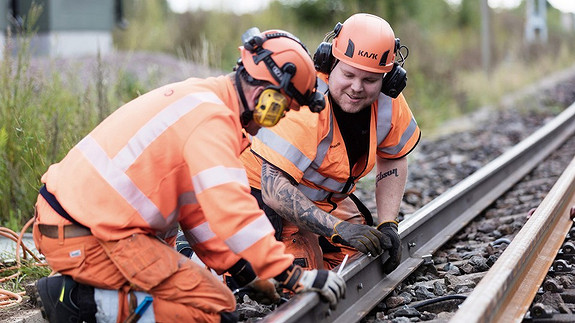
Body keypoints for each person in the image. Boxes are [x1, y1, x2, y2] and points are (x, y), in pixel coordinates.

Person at [32, 27, 345, 323]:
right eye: (281, 110)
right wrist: (291, 274)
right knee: (213, 311)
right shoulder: (212, 121)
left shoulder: (206, 100)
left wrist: (245, 275)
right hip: (89, 238)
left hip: (83, 227)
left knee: (218, 298)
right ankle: (78, 302)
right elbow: (234, 213)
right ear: (268, 98)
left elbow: (196, 215)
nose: (272, 122)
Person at [240, 13, 421, 271]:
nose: (357, 87)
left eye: (370, 80)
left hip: (322, 202)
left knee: (362, 256)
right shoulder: (306, 101)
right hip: (262, 199)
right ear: (330, 62)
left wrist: (388, 223)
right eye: (348, 74)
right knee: (298, 277)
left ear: (388, 79)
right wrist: (336, 229)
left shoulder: (388, 103)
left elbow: (393, 156)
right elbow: (274, 190)